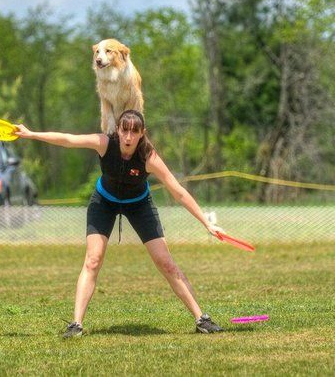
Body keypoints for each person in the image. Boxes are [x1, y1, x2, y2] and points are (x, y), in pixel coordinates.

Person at [15, 109, 224, 337]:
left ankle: (201, 319)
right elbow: (68, 140)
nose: (128, 137)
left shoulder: (149, 157)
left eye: (134, 132)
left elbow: (179, 192)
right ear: (118, 130)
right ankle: (76, 324)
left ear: (142, 133)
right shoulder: (105, 143)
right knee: (93, 260)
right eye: (125, 130)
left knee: (166, 263)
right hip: (104, 201)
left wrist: (207, 223)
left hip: (139, 204)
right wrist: (31, 134)